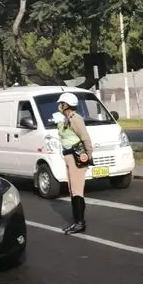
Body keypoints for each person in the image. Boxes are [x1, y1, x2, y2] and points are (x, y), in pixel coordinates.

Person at [55, 93, 93, 235]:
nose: (59, 106)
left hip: (76, 157)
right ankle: (77, 221)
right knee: (72, 190)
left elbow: (86, 139)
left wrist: (87, 156)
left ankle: (80, 223)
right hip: (68, 157)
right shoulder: (66, 119)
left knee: (77, 191)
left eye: (61, 104)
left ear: (66, 105)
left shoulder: (76, 119)